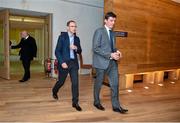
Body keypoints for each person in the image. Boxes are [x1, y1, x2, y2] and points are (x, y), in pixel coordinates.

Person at [92, 12, 128, 113]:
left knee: (115, 84)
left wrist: (117, 51)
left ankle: (116, 106)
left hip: (112, 63)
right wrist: (110, 54)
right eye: (111, 20)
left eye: (114, 21)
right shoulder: (99, 31)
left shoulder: (113, 33)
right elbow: (95, 48)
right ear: (105, 20)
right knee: (98, 84)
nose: (113, 23)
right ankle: (96, 102)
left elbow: (113, 47)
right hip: (101, 63)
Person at [52, 20, 82, 111]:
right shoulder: (62, 37)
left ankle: (75, 102)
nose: (74, 28)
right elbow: (57, 51)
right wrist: (62, 62)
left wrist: (76, 48)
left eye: (75, 26)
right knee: (61, 82)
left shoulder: (77, 39)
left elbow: (80, 51)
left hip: (73, 63)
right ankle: (54, 91)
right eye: (72, 26)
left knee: (75, 83)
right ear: (68, 28)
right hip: (64, 63)